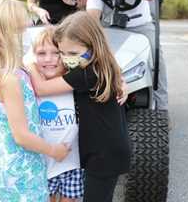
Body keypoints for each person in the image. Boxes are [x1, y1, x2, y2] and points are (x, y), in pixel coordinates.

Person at [0, 0, 70, 202]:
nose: (24, 36)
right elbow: (21, 136)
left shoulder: (5, 68)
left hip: (8, 159)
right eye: (18, 31)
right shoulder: (9, 79)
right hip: (17, 168)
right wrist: (54, 151)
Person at [28, 11, 131, 202]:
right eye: (63, 53)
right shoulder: (98, 65)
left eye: (73, 53)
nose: (67, 58)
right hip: (105, 151)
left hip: (104, 155)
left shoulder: (88, 73)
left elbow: (41, 89)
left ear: (93, 45)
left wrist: (30, 65)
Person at [86, 0, 169, 111]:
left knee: (157, 61)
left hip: (141, 26)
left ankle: (161, 108)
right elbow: (92, 17)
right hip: (113, 28)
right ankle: (102, 99)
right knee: (96, 56)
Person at [32, 27, 84, 202]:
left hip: (72, 165)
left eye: (56, 53)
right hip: (43, 165)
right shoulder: (30, 86)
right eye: (41, 53)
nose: (49, 59)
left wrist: (121, 83)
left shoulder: (74, 82)